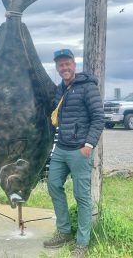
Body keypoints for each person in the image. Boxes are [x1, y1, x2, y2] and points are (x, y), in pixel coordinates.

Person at [43, 49, 104, 258]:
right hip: (61, 148)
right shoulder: (61, 89)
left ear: (74, 65)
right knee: (53, 185)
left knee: (81, 195)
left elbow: (98, 118)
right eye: (60, 65)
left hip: (80, 151)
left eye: (67, 64)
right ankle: (64, 231)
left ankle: (82, 243)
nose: (64, 68)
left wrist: (88, 145)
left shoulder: (88, 87)